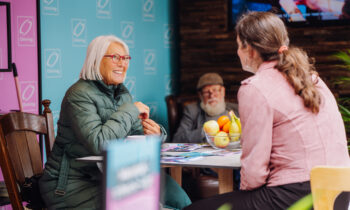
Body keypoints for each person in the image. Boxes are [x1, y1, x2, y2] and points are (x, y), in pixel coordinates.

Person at [184, 11, 350, 210]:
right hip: (339, 194)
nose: (237, 52)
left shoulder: (254, 88)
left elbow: (254, 174)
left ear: (250, 50)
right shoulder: (313, 78)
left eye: (238, 45)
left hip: (297, 195)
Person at [39, 35, 191, 209]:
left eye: (126, 58)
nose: (122, 63)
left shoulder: (121, 93)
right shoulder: (79, 94)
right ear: (96, 60)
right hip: (72, 184)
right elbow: (99, 143)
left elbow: (134, 134)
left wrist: (156, 133)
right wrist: (130, 110)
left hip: (114, 175)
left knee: (181, 202)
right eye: (115, 57)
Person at [173, 73, 239, 143]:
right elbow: (177, 139)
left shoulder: (237, 110)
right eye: (206, 92)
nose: (212, 95)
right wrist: (205, 131)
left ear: (223, 91)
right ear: (200, 95)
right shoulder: (192, 111)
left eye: (215, 90)